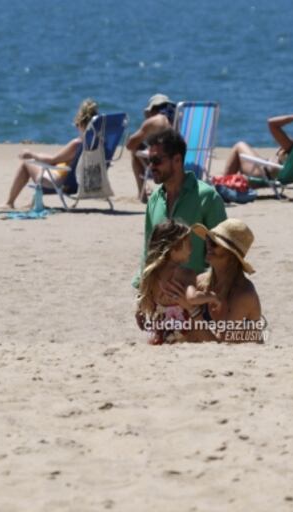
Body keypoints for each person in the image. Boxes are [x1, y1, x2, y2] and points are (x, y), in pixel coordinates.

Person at [132, 128, 227, 290]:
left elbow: (223, 253)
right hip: (160, 298)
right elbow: (149, 249)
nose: (151, 167)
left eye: (156, 161)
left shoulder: (207, 198)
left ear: (177, 160)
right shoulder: (154, 199)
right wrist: (141, 288)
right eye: (149, 161)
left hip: (196, 297)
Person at [164, 218, 263, 343]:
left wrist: (193, 310)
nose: (208, 246)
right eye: (208, 240)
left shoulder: (244, 296)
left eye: (215, 244)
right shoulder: (200, 283)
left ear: (231, 255)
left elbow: (221, 344)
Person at [0, 98, 99, 210]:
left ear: (81, 123)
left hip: (60, 183)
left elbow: (53, 160)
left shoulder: (77, 144)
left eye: (77, 124)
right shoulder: (98, 144)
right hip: (82, 182)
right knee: (39, 160)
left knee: (26, 163)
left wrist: (31, 154)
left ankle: (9, 202)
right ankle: (34, 202)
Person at [136, 219, 221, 345]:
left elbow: (143, 300)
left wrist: (139, 310)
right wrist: (212, 297)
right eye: (188, 244)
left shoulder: (152, 275)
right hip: (182, 334)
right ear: (173, 248)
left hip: (159, 333)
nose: (192, 248)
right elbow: (192, 298)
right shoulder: (185, 274)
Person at [222, 108, 293, 179]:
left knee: (239, 145)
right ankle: (227, 182)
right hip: (269, 168)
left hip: (263, 172)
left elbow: (271, 123)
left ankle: (222, 184)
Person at [125, 93, 176, 202]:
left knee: (135, 149)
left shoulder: (157, 120)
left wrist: (147, 121)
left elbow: (130, 145)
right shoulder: (178, 119)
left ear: (152, 110)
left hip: (165, 167)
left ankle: (142, 195)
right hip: (182, 164)